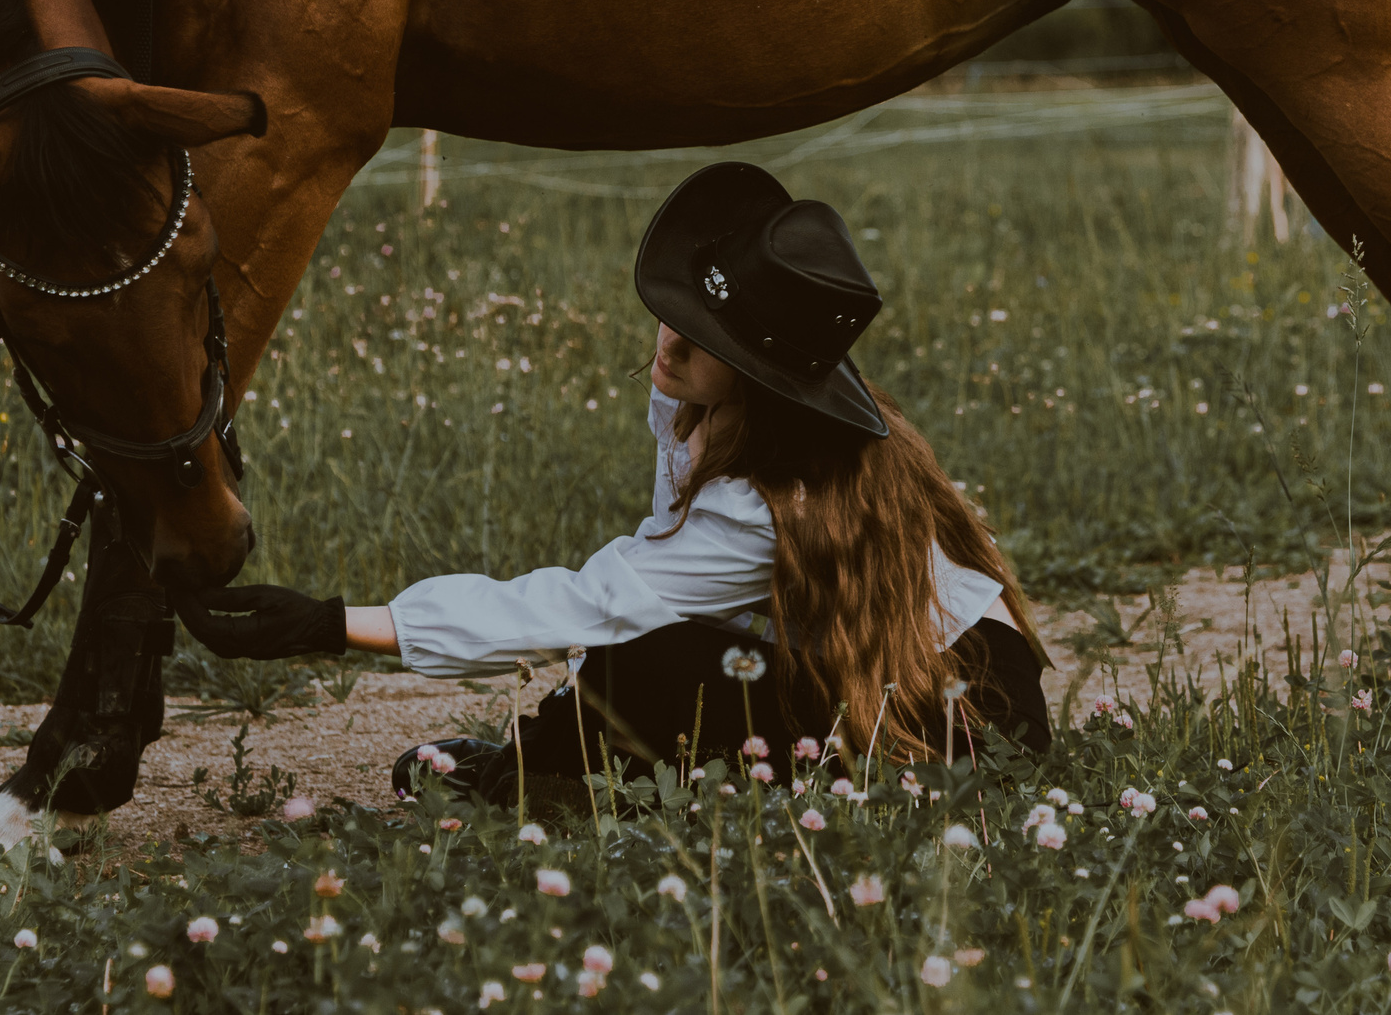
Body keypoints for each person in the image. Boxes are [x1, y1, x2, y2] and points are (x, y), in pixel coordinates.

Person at [175, 161, 1050, 798]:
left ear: (764, 376)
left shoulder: (762, 502)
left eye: (708, 336)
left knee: (648, 659)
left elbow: (590, 606)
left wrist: (332, 623)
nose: (672, 338)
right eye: (680, 311)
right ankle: (558, 759)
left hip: (966, 710)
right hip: (907, 675)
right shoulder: (708, 410)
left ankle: (531, 775)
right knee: (655, 655)